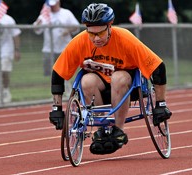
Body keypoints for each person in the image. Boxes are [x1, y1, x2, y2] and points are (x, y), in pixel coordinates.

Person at [49, 3, 172, 154]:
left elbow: (158, 67)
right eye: (91, 33)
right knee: (86, 81)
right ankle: (102, 130)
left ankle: (118, 131)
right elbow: (58, 73)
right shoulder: (80, 42)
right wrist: (56, 108)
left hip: (126, 85)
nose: (96, 39)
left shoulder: (125, 39)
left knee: (118, 78)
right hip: (99, 85)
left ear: (109, 26)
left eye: (100, 33)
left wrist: (160, 103)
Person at [32, 0, 80, 95]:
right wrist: (38, 22)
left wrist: (67, 30)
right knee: (52, 72)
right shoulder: (45, 14)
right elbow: (36, 30)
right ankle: (55, 92)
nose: (52, 7)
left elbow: (76, 26)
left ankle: (68, 89)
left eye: (54, 5)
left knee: (65, 70)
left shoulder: (66, 13)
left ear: (58, 3)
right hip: (49, 49)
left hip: (64, 47)